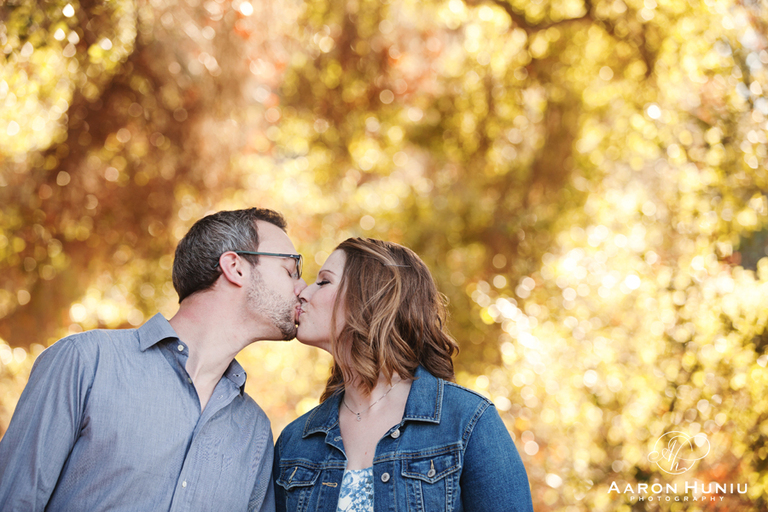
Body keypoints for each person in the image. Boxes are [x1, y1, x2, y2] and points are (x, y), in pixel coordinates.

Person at [0, 208, 306, 512]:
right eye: (290, 270)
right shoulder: (86, 363)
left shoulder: (255, 431)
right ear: (235, 267)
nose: (302, 288)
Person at [273, 238, 533, 512]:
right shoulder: (294, 442)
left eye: (324, 281)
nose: (303, 292)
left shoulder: (468, 421)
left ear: (370, 298)